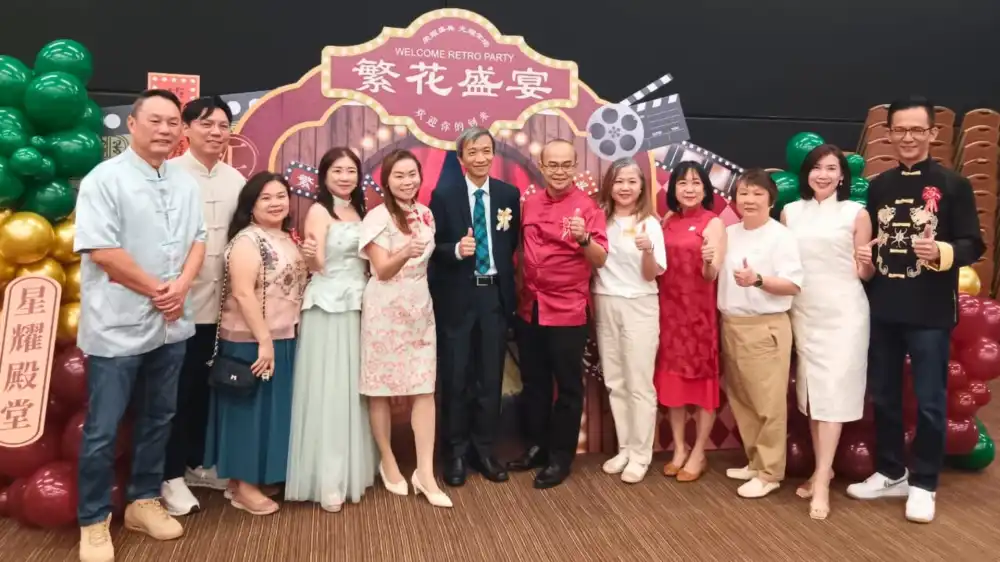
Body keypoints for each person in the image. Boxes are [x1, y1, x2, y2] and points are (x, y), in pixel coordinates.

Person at [74, 89, 206, 562]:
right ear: (131, 124)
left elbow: (198, 240)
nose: (165, 130)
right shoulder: (104, 179)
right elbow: (103, 251)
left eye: (173, 122)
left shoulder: (184, 182)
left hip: (172, 324)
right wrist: (159, 290)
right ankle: (93, 520)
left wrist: (181, 287)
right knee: (103, 427)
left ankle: (143, 501)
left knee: (159, 417)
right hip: (117, 327)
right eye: (155, 120)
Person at [847, 96, 985, 523]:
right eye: (900, 130)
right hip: (884, 305)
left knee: (929, 401)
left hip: (929, 311)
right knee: (885, 395)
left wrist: (941, 251)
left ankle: (924, 483)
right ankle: (891, 471)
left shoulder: (953, 184)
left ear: (932, 133)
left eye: (916, 130)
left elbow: (974, 244)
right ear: (889, 134)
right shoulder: (879, 186)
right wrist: (865, 257)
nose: (908, 138)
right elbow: (874, 240)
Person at [203, 173, 309, 516]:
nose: (276, 203)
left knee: (270, 412)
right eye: (266, 198)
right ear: (251, 205)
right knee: (246, 413)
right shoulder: (248, 240)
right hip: (250, 341)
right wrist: (264, 340)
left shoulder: (286, 237)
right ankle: (242, 485)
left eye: (281, 195)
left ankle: (258, 476)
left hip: (283, 335)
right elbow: (243, 293)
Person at [508, 139, 609, 489]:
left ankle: (561, 457)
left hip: (568, 310)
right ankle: (537, 446)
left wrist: (583, 240)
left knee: (567, 387)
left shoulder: (587, 207)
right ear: (542, 166)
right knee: (534, 383)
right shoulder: (530, 203)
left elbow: (600, 258)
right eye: (553, 164)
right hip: (530, 307)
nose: (560, 171)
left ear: (575, 166)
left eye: (566, 164)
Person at [162, 95, 245, 516]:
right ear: (186, 129)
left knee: (204, 389)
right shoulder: (168, 175)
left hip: (222, 308)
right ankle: (168, 474)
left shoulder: (236, 180)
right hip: (175, 306)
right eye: (206, 123)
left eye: (223, 125)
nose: (215, 132)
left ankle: (195, 461)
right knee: (173, 393)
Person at [285, 147, 378, 512]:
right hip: (329, 306)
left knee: (354, 389)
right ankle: (328, 480)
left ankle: (353, 470)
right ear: (324, 175)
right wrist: (310, 257)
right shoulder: (318, 211)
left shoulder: (361, 211)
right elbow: (318, 262)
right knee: (331, 390)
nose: (344, 177)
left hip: (359, 304)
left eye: (351, 170)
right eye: (337, 170)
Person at [782, 144, 871, 520]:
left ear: (842, 175)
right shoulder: (790, 212)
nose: (823, 174)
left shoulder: (856, 213)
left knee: (833, 394)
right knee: (814, 396)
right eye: (817, 167)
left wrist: (867, 263)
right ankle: (825, 469)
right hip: (804, 311)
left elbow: (864, 272)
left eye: (831, 168)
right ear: (806, 173)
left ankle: (820, 479)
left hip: (844, 312)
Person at [359, 149, 452, 508]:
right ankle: (388, 459)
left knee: (423, 387)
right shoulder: (377, 217)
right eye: (398, 175)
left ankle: (425, 473)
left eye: (412, 174)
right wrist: (404, 251)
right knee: (379, 389)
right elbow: (382, 270)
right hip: (384, 307)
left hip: (419, 306)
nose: (407, 181)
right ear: (386, 180)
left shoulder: (426, 213)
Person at [429, 128, 520, 487]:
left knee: (490, 378)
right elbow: (432, 249)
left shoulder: (508, 195)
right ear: (461, 158)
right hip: (458, 298)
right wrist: (455, 250)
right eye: (472, 152)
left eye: (486, 151)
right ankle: (454, 453)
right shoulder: (444, 196)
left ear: (493, 154)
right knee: (456, 377)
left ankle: (484, 450)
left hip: (493, 297)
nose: (480, 158)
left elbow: (511, 243)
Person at [718, 169, 803, 499]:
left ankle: (770, 473)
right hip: (732, 324)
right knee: (743, 400)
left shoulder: (781, 236)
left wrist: (757, 280)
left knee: (768, 403)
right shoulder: (729, 232)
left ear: (771, 200)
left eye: (757, 193)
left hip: (764, 326)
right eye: (743, 193)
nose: (749, 199)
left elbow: (793, 284)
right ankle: (755, 461)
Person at [592, 158, 666, 484]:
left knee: (639, 383)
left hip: (640, 305)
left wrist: (648, 250)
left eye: (632, 181)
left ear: (641, 187)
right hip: (606, 301)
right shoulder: (600, 219)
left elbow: (651, 275)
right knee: (615, 381)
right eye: (619, 181)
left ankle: (641, 454)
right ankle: (624, 448)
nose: (625, 187)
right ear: (610, 185)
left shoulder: (650, 223)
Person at [654, 161, 726, 483]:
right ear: (673, 189)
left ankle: (699, 451)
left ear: (706, 189)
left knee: (701, 385)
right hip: (669, 315)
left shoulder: (714, 223)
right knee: (674, 385)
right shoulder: (668, 220)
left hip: (699, 316)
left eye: (696, 183)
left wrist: (709, 262)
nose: (689, 189)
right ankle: (679, 448)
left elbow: (711, 275)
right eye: (683, 183)